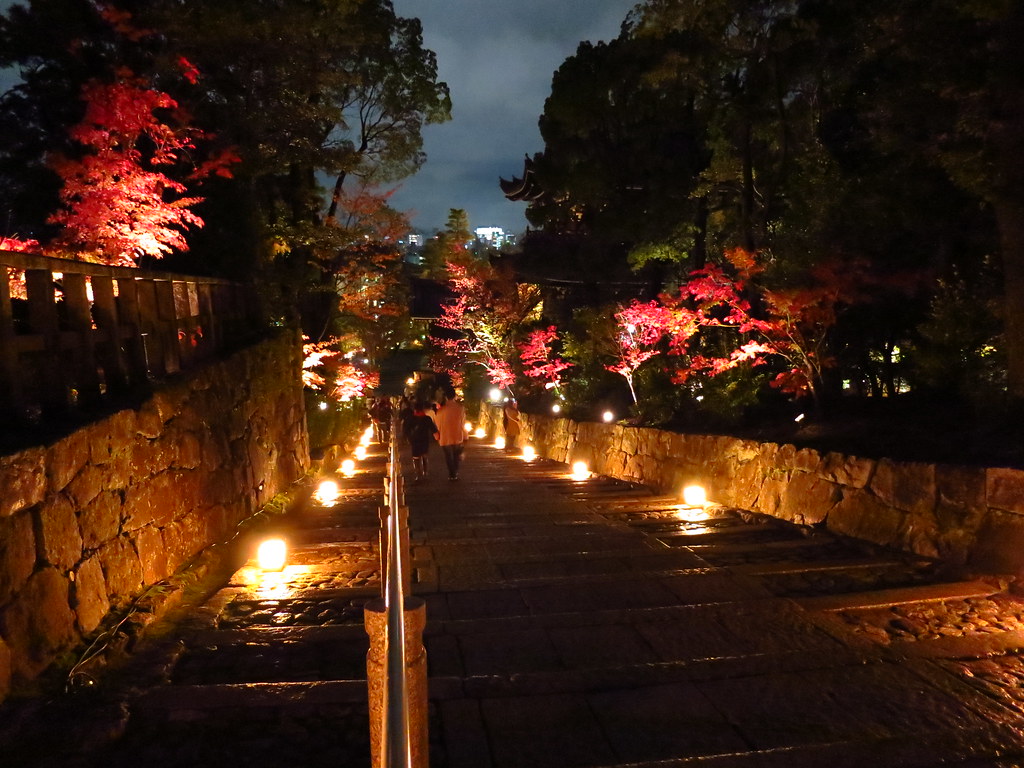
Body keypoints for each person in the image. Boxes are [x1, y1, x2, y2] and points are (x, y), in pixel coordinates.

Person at [434, 389, 467, 480]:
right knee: (456, 456)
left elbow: (437, 424)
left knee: (448, 456)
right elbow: (463, 423)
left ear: (445, 397)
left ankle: (451, 474)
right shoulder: (460, 408)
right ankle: (455, 472)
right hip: (457, 435)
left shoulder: (441, 410)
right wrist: (465, 435)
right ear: (455, 396)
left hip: (445, 436)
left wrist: (437, 436)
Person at [403, 403, 438, 481]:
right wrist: (437, 436)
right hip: (424, 440)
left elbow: (406, 430)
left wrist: (407, 438)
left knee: (416, 458)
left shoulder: (410, 418)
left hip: (414, 440)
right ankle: (425, 472)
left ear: (414, 410)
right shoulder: (427, 418)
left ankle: (418, 474)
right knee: (424, 456)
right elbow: (433, 429)